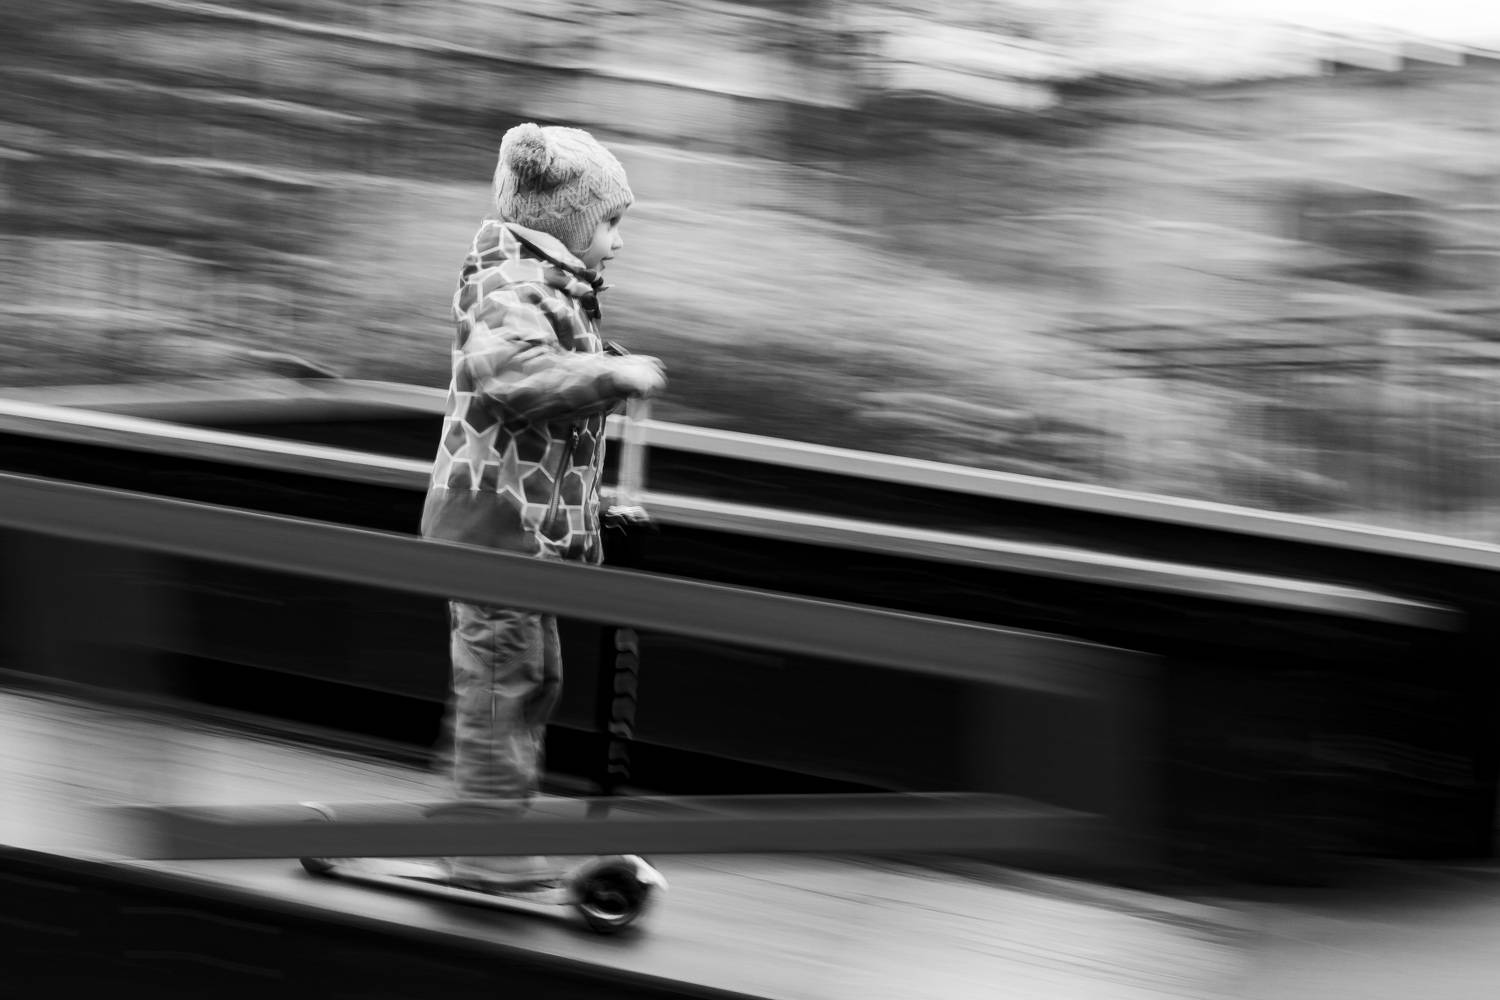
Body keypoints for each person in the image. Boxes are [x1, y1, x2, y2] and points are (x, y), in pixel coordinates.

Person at [420, 122, 666, 887]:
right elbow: (511, 372)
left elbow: (553, 376)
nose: (618, 241)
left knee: (530, 676)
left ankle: (482, 814)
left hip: (526, 535)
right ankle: (481, 841)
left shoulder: (552, 288)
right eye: (610, 222)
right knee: (504, 679)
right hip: (492, 526)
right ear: (564, 219)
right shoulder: (508, 284)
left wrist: (604, 369)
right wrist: (608, 378)